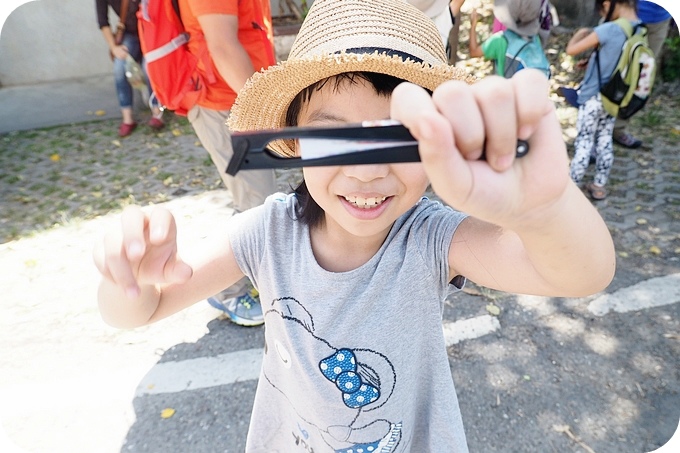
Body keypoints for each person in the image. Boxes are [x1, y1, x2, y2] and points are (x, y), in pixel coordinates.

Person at [93, 0, 616, 450]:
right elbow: (141, 312)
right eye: (336, 138)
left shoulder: (430, 238)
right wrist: (127, 278)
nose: (367, 171)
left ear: (437, 145)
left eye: (400, 136)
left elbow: (580, 275)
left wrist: (541, 211)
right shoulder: (264, 234)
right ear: (295, 142)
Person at [177, 0, 278, 326]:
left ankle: (237, 284)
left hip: (232, 100)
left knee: (254, 201)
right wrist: (266, 107)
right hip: (225, 103)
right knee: (256, 205)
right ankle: (228, 292)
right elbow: (221, 45)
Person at [566, 0, 641, 201]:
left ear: (608, 4)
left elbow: (571, 50)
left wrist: (582, 32)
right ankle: (599, 186)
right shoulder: (639, 28)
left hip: (592, 97)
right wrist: (593, 61)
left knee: (584, 141)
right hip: (614, 97)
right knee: (605, 140)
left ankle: (572, 188)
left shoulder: (610, 28)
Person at [96, 0, 165, 137]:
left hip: (152, 29)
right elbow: (103, 21)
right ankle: (128, 118)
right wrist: (114, 47)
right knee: (119, 69)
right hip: (129, 34)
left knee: (149, 67)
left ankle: (157, 113)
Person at [612, 0, 673, 149]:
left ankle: (618, 128)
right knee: (612, 70)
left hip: (660, 19)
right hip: (627, 14)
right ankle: (592, 131)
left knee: (640, 77)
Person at [469, 0, 550, 78]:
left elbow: (474, 52)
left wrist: (473, 25)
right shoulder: (535, 39)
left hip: (505, 91)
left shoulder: (499, 40)